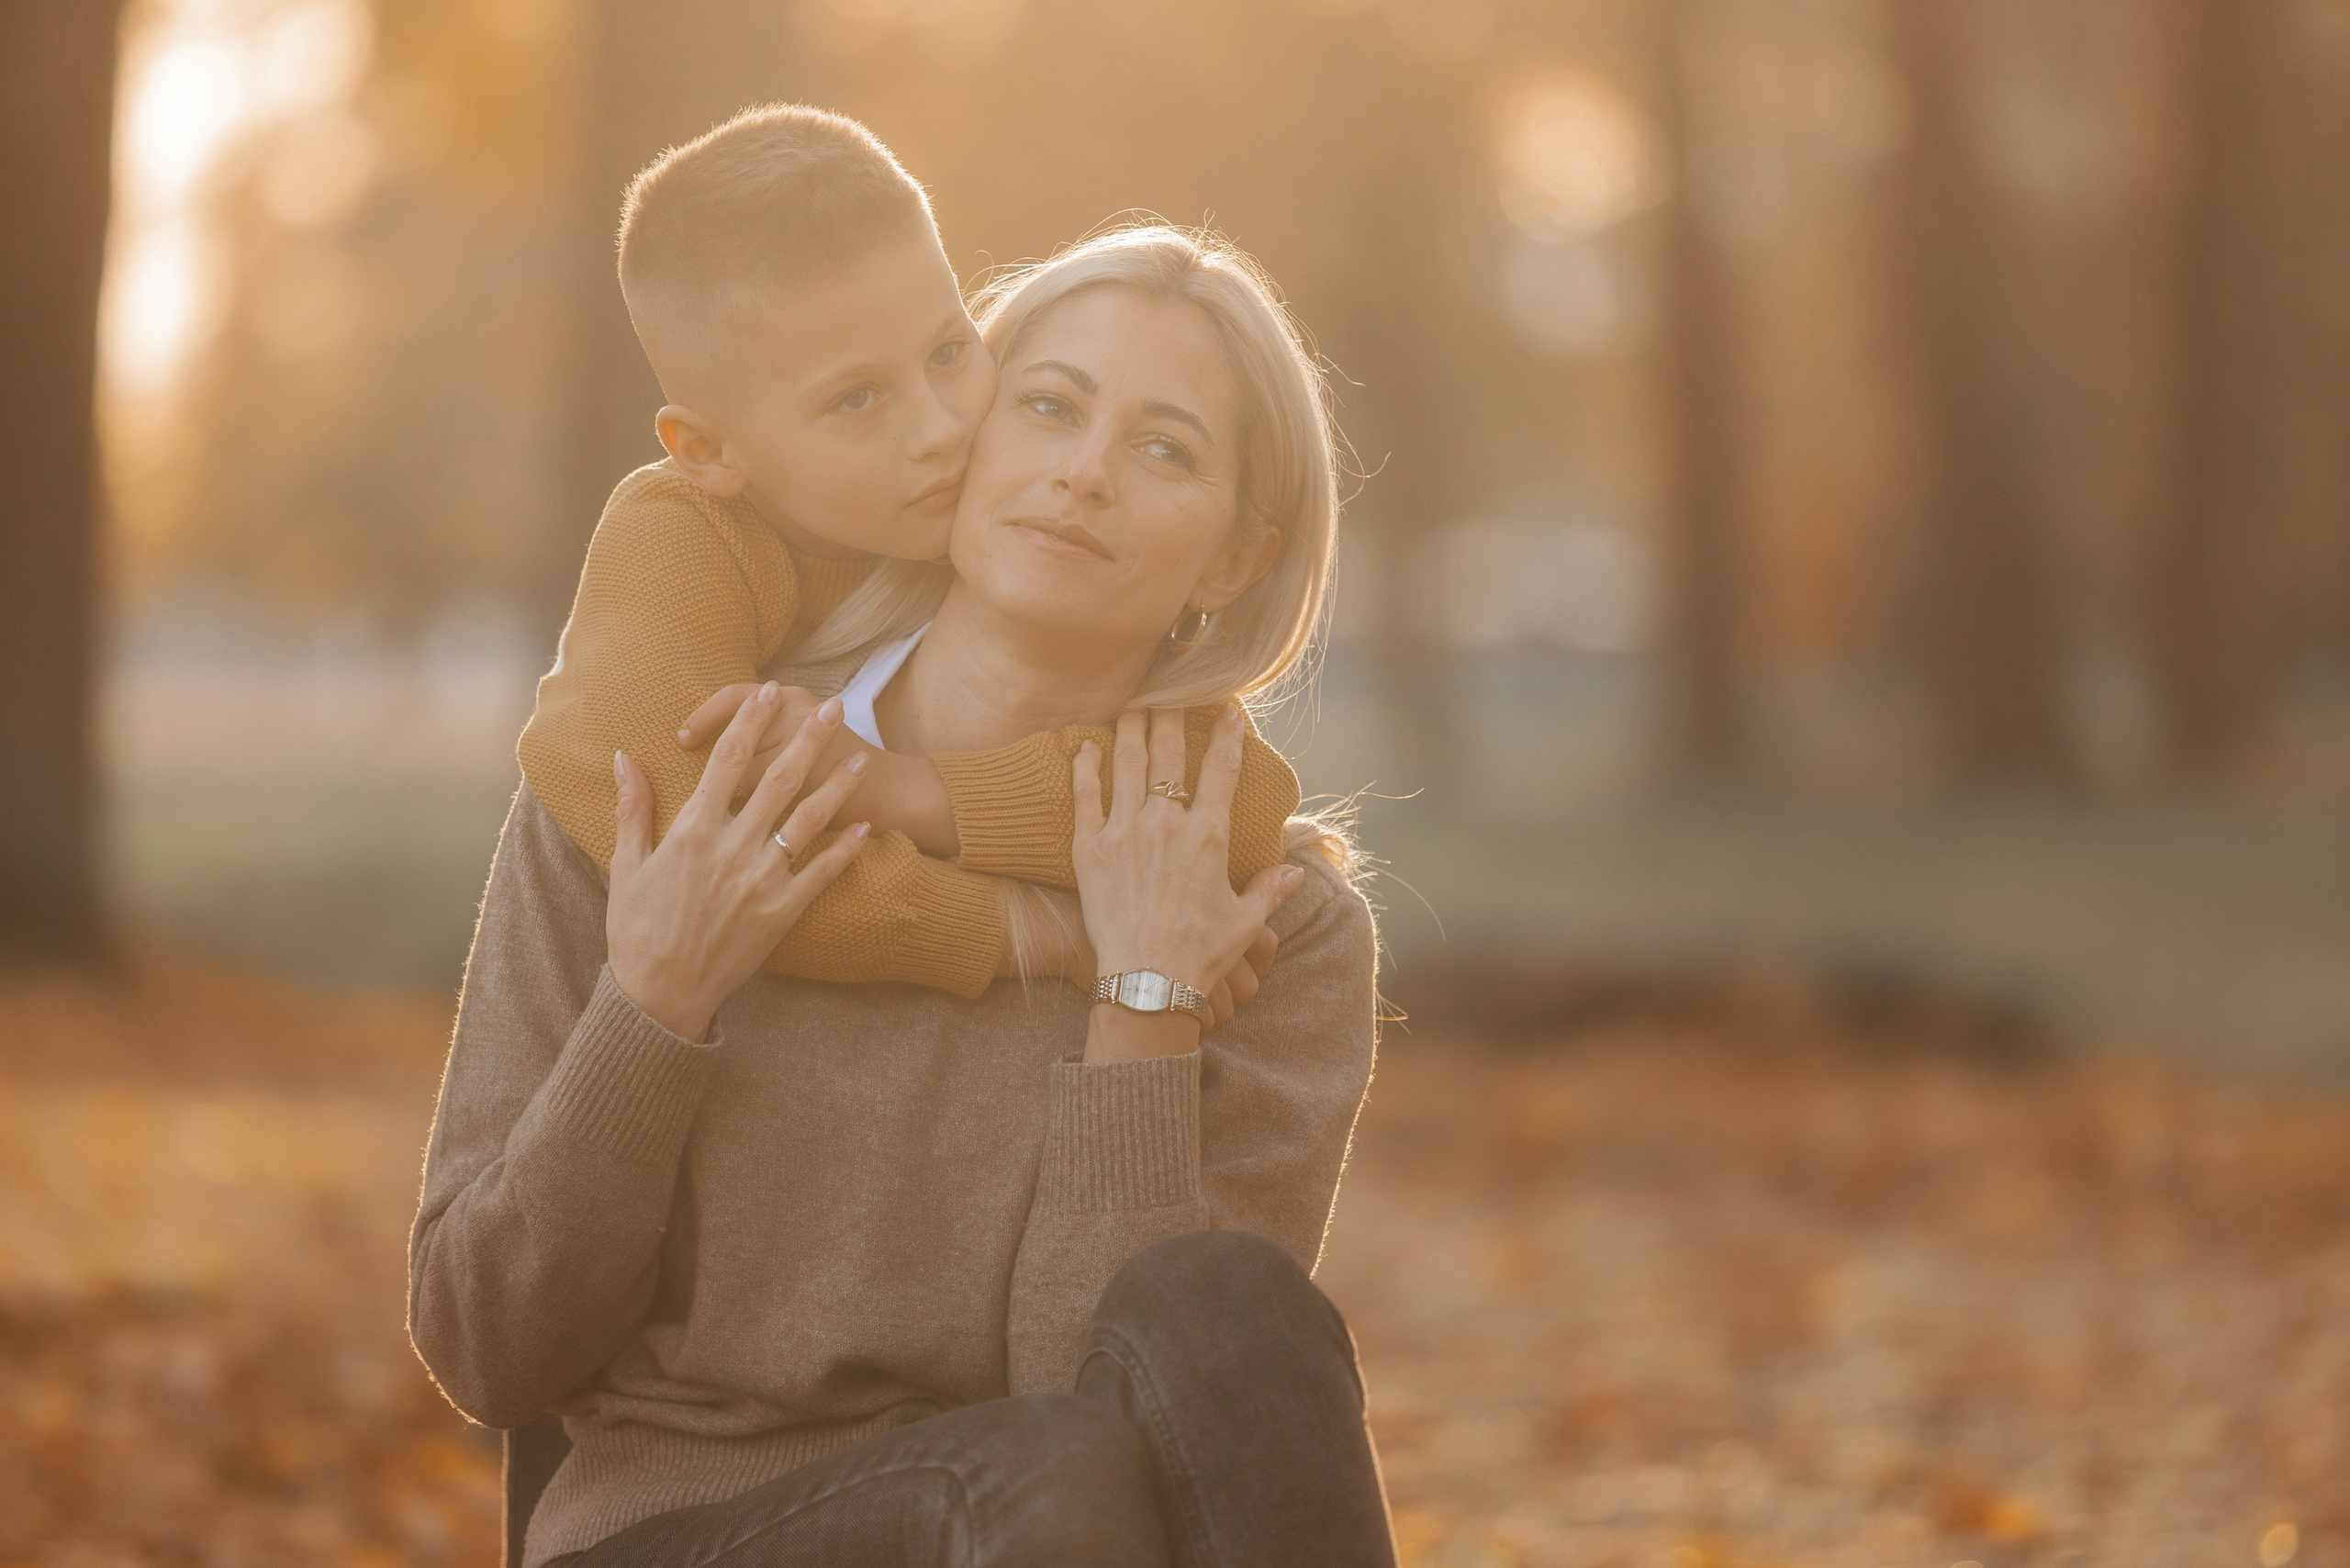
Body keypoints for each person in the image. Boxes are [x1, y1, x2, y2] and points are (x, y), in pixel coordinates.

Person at [408, 224, 1395, 1565]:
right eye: (1047, 406)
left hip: (1043, 1525)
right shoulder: (676, 779)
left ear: (1234, 559)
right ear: (964, 437)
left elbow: (1126, 1417)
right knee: (1041, 1482)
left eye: (1164, 449)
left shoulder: (1270, 926)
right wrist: (654, 1001)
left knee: (1227, 1313)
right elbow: (484, 1346)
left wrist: (1144, 1005)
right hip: (674, 1538)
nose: (1084, 473)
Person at [516, 103, 1301, 1002]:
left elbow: (1239, 815)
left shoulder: (980, 529)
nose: (939, 430)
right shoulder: (676, 537)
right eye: (856, 400)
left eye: (949, 352)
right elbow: (714, 865)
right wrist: (1044, 932)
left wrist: (912, 792)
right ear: (709, 452)